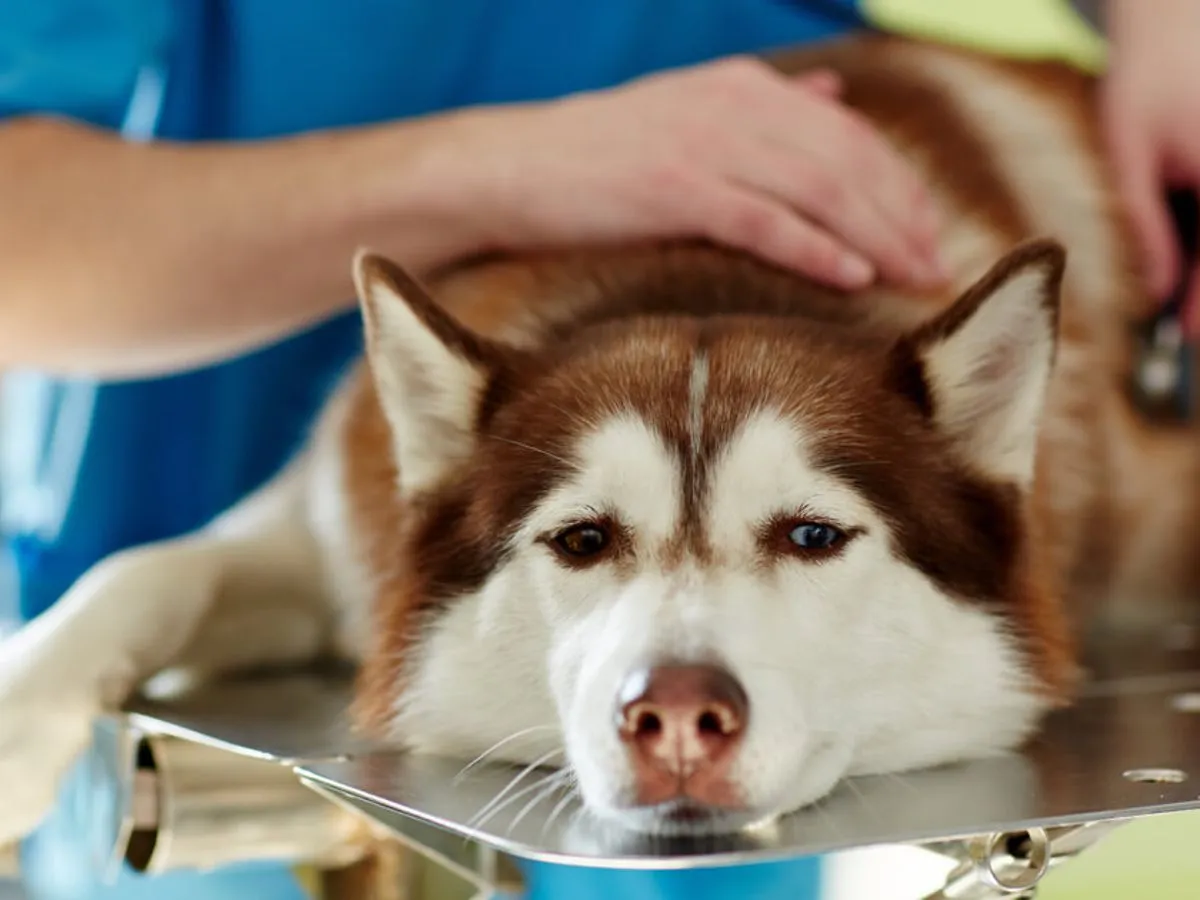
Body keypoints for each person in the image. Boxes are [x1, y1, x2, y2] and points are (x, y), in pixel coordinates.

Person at [0, 1, 1196, 899]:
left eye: (812, 533)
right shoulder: (409, 443)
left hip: (819, 175)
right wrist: (510, 171)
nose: (674, 693)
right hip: (209, 430)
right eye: (584, 537)